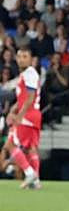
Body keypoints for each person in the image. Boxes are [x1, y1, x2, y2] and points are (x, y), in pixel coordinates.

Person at [6, 46, 42, 189]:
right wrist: (12, 110)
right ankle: (36, 180)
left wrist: (19, 115)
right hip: (33, 114)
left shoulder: (30, 73)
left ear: (31, 59)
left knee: (10, 145)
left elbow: (30, 97)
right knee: (30, 148)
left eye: (25, 57)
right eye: (20, 56)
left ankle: (29, 173)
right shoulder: (26, 74)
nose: (21, 59)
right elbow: (22, 98)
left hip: (28, 114)